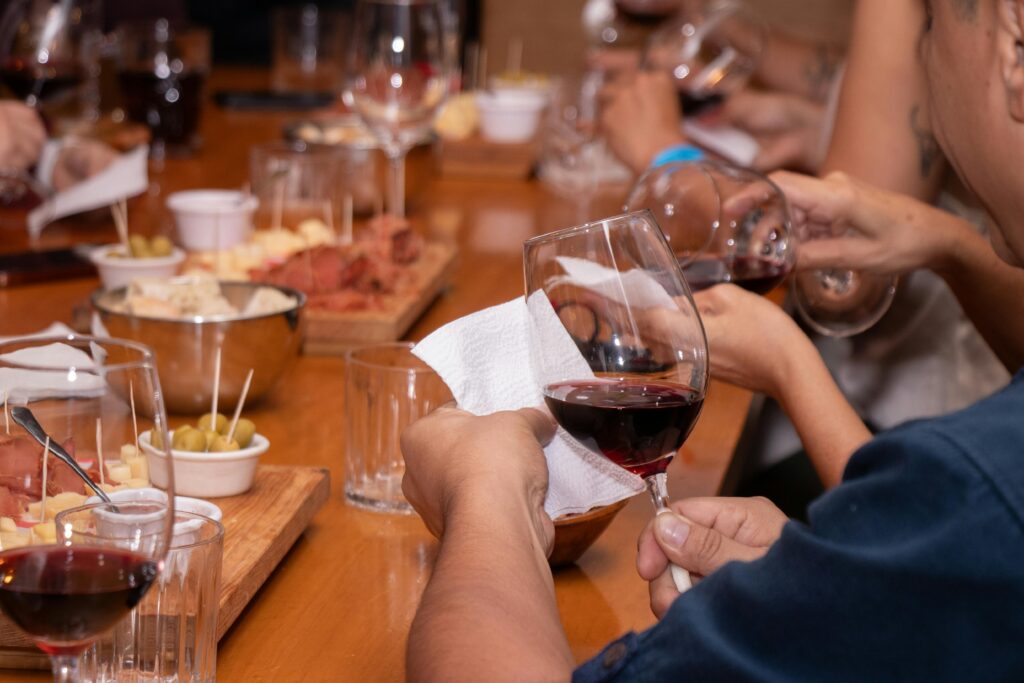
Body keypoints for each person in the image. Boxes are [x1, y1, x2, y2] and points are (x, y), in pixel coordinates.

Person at [401, 0, 1024, 679]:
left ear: (1014, 45)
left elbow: (937, 545)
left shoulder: (972, 485)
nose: (923, 61)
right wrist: (838, 568)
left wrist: (483, 492)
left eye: (931, 25)